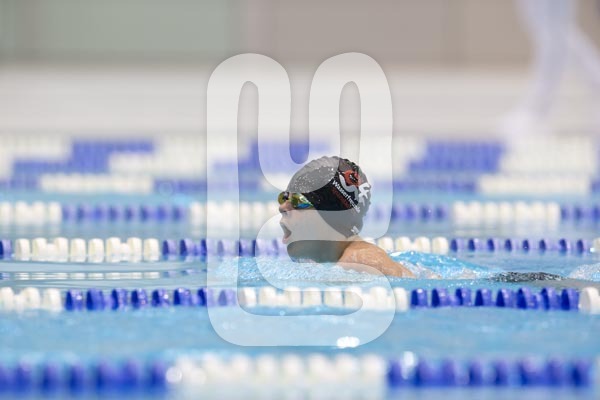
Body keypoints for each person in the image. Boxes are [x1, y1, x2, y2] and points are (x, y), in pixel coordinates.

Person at [278, 156, 415, 278]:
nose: (282, 207)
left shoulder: (365, 262)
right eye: (284, 197)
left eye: (297, 201)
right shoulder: (325, 263)